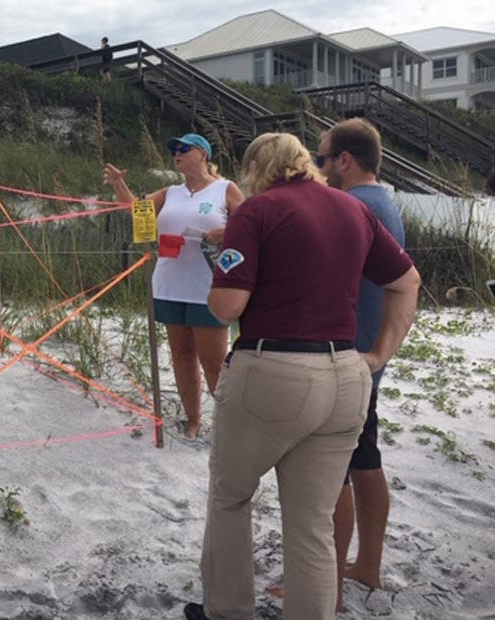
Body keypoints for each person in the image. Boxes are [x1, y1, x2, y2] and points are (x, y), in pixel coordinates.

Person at [183, 132, 420, 620]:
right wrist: (377, 355)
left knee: (231, 498)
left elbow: (227, 307)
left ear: (258, 169)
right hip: (345, 375)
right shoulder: (353, 209)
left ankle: (226, 611)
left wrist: (218, 273)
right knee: (312, 524)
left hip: (273, 369)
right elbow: (406, 281)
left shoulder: (257, 210)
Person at [318, 118, 405, 610]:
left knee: (329, 474)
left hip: (342, 358)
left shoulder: (349, 206)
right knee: (364, 461)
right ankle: (367, 565)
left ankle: (323, 581)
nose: (318, 167)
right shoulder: (384, 202)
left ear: (344, 161)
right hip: (368, 358)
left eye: (322, 158)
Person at [104, 133, 245, 438]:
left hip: (209, 287)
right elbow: (134, 209)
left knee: (214, 362)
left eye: (184, 149)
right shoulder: (171, 192)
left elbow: (251, 224)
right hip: (170, 283)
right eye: (174, 150)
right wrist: (118, 183)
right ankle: (192, 419)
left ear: (203, 155)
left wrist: (226, 231)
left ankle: (229, 427)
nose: (177, 154)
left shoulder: (225, 188)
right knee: (181, 355)